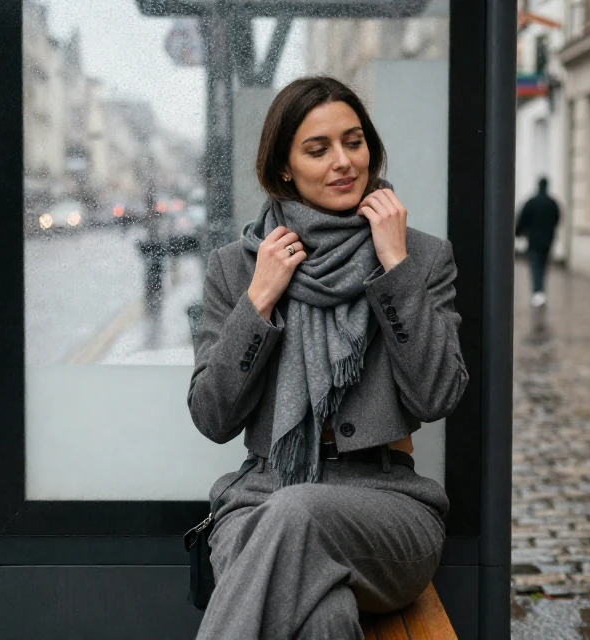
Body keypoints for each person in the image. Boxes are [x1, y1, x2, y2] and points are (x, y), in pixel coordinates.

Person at [187, 76, 469, 639]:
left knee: (298, 512)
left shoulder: (422, 258)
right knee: (323, 616)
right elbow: (212, 417)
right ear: (284, 167)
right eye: (318, 149)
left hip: (388, 508)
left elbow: (438, 396)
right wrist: (259, 300)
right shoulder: (237, 268)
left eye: (354, 141)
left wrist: (396, 269)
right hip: (262, 497)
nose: (344, 162)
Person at [514, 177, 562, 307]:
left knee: (535, 266)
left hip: (534, 240)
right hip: (548, 240)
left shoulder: (532, 202)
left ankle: (537, 291)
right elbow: (557, 219)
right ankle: (540, 290)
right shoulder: (552, 203)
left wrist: (517, 232)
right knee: (543, 265)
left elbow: (523, 218)